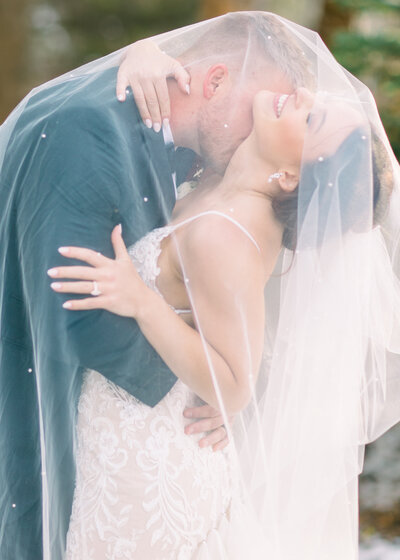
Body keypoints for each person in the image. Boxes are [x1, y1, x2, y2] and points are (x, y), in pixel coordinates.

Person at [1, 11, 399, 560]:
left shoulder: (227, 232)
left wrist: (143, 304)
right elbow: (181, 112)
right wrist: (140, 52)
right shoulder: (216, 181)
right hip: (121, 438)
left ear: (290, 177)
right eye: (312, 98)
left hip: (149, 452)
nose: (301, 99)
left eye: (311, 121)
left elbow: (233, 382)